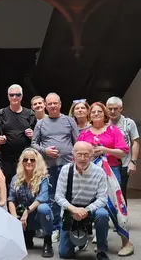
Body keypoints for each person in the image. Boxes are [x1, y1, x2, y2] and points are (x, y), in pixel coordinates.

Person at [77, 102, 133, 256]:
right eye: (93, 112)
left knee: (116, 206)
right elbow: (77, 152)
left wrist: (104, 149)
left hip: (111, 172)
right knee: (97, 209)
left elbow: (123, 152)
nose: (96, 114)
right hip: (90, 174)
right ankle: (102, 241)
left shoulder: (113, 130)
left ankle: (127, 243)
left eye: (99, 112)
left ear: (105, 114)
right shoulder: (84, 133)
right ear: (90, 115)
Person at [31, 92, 79, 242]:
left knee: (70, 197)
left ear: (60, 104)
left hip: (68, 167)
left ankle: (73, 228)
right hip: (48, 167)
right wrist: (45, 151)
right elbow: (33, 144)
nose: (52, 106)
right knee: (52, 198)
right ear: (45, 105)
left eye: (55, 103)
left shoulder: (69, 121)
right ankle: (56, 228)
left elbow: (77, 142)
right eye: (49, 103)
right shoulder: (41, 123)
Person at [55, 141, 110, 260]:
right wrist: (74, 210)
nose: (82, 158)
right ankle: (78, 241)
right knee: (64, 254)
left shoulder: (99, 172)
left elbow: (102, 198)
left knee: (103, 214)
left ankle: (101, 249)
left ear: (91, 155)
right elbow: (58, 196)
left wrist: (86, 210)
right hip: (70, 210)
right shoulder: (65, 170)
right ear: (73, 155)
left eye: (86, 154)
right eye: (79, 154)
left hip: (90, 209)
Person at [8, 148, 54, 258]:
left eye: (32, 160)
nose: (28, 162)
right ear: (22, 162)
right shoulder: (16, 178)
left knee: (43, 208)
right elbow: (11, 199)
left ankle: (48, 242)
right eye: (26, 160)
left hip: (37, 215)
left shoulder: (43, 178)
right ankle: (27, 236)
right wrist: (14, 218)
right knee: (11, 211)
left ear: (37, 162)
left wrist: (27, 212)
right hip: (22, 216)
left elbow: (42, 198)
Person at [0, 84, 36, 197]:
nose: (15, 97)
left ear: (21, 97)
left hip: (26, 158)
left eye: (18, 95)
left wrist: (33, 135)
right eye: (12, 95)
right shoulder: (1, 114)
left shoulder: (30, 114)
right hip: (7, 158)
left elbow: (38, 136)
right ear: (8, 97)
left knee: (27, 184)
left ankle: (26, 210)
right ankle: (10, 210)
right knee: (9, 185)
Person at [106, 96, 139, 204]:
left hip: (124, 164)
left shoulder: (129, 123)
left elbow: (135, 143)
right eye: (110, 108)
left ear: (121, 109)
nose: (112, 111)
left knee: (120, 191)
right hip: (107, 163)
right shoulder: (103, 122)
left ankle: (122, 218)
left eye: (115, 108)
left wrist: (133, 162)